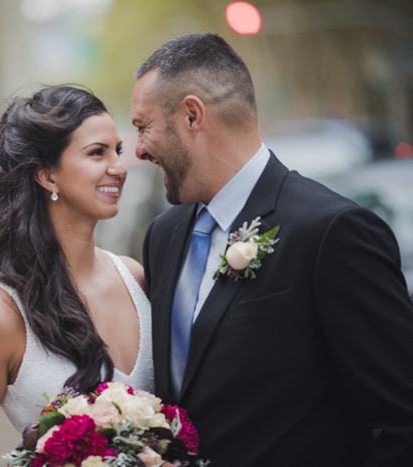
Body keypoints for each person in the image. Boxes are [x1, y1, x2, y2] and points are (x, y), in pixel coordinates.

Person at [132, 32, 413, 467]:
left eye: (143, 126)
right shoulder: (163, 236)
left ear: (191, 115)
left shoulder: (332, 232)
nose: (139, 148)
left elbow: (399, 419)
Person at [0, 85, 154, 466]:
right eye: (97, 153)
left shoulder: (135, 277)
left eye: (116, 150)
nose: (118, 167)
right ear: (48, 177)